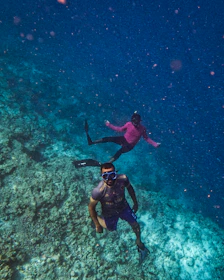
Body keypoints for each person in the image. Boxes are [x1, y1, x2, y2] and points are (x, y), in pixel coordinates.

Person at [88, 162, 149, 263]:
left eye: (112, 175)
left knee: (135, 225)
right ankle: (98, 217)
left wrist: (135, 202)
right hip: (109, 212)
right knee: (110, 228)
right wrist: (97, 224)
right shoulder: (98, 191)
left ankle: (139, 242)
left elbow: (130, 189)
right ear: (102, 176)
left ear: (116, 173)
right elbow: (91, 207)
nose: (109, 179)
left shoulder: (123, 179)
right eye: (105, 176)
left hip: (123, 207)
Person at [85, 111, 161, 162]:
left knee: (119, 152)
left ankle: (108, 163)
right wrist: (109, 125)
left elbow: (146, 138)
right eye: (134, 123)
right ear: (132, 121)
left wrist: (155, 144)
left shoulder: (142, 129)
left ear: (139, 122)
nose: (135, 125)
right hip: (123, 139)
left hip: (129, 145)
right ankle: (92, 142)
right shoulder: (129, 124)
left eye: (136, 123)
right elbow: (119, 129)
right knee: (109, 138)